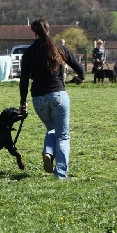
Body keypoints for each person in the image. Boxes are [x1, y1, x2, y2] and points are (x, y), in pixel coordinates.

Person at [19, 19, 85, 180]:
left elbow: (24, 80)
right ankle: (61, 173)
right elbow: (79, 68)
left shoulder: (28, 52)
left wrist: (22, 101)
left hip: (38, 98)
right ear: (48, 30)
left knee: (52, 129)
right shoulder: (59, 48)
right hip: (58, 95)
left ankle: (49, 152)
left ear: (33, 32)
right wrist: (80, 78)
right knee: (62, 135)